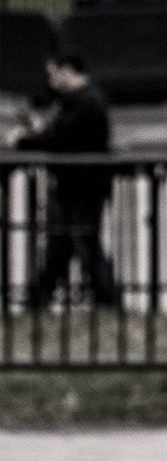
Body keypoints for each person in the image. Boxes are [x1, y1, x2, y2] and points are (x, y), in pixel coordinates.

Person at [13, 53, 120, 310]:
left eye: (53, 74)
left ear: (67, 70)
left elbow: (62, 139)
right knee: (63, 244)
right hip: (74, 186)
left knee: (81, 242)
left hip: (82, 187)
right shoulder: (77, 101)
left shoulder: (88, 102)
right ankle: (41, 299)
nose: (50, 81)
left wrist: (23, 141)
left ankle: (105, 300)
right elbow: (60, 135)